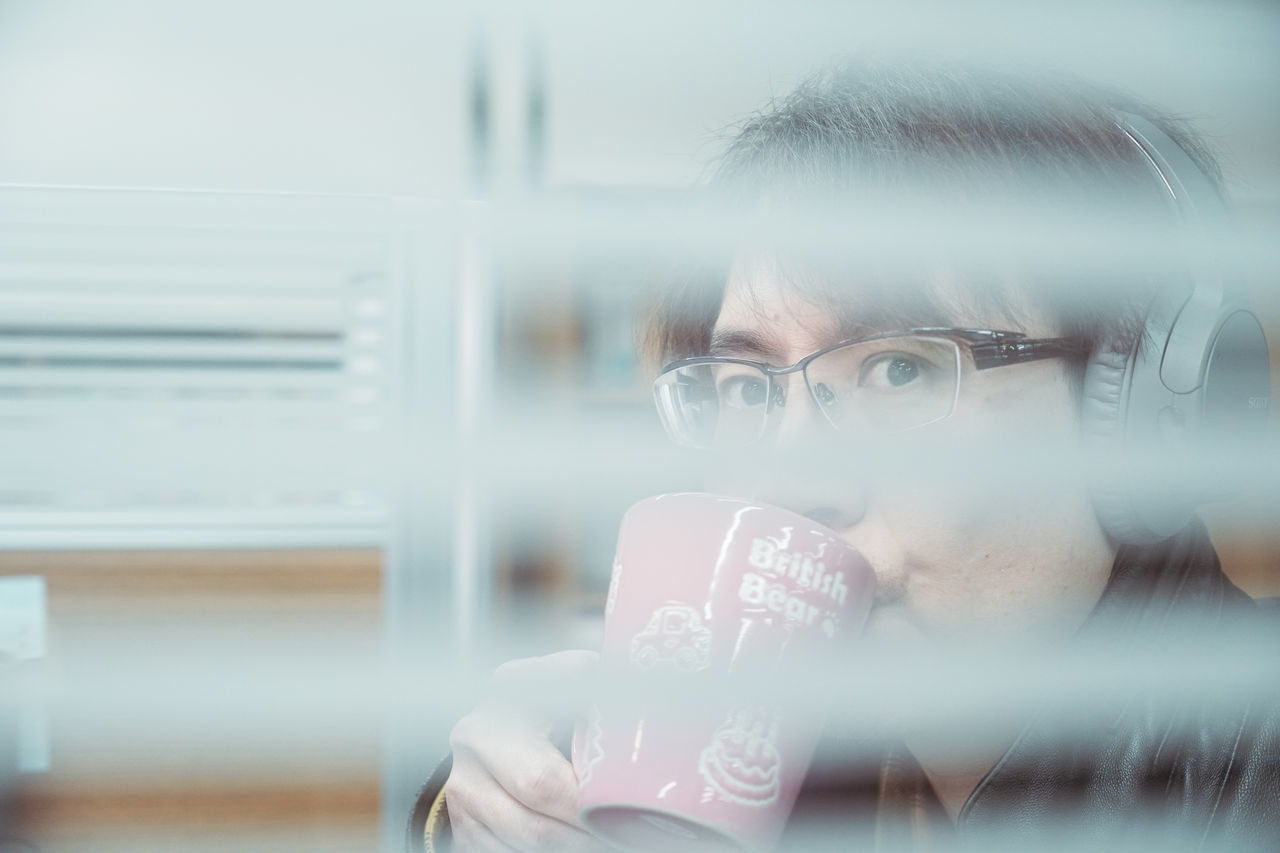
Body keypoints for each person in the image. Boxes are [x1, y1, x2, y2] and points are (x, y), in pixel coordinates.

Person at [410, 64, 1278, 851]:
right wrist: (490, 815)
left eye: (899, 371)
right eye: (748, 391)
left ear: (1141, 412)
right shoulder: (747, 754)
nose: (790, 483)